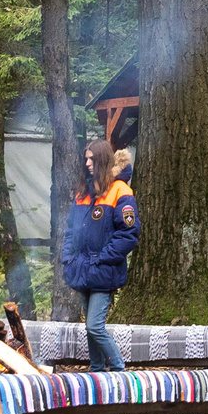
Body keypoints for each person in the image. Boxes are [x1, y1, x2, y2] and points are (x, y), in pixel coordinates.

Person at [59, 138, 139, 372]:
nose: (87, 163)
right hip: (82, 268)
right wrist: (68, 258)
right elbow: (71, 230)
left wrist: (103, 258)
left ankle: (118, 369)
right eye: (86, 159)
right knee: (89, 327)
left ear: (103, 160)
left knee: (94, 326)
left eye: (92, 159)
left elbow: (129, 233)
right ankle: (96, 371)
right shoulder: (83, 192)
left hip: (104, 270)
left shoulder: (120, 191)